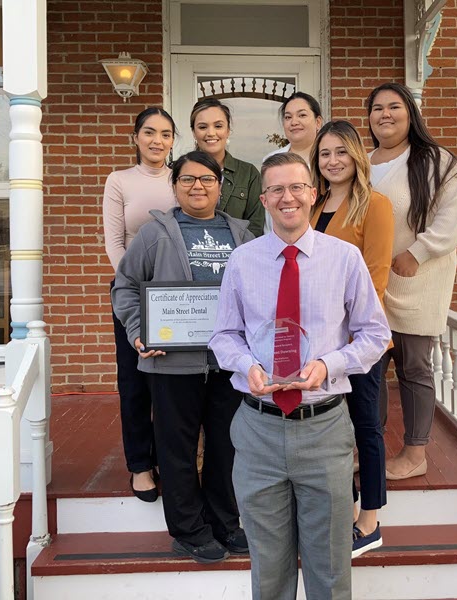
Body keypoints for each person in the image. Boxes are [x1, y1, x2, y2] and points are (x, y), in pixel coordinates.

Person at [209, 153, 390, 599]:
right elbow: (223, 335)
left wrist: (329, 365)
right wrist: (245, 365)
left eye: (296, 187)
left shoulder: (344, 259)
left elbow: (375, 334)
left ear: (313, 193)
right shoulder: (242, 261)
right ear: (264, 199)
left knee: (329, 570)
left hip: (323, 429)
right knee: (268, 572)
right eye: (275, 189)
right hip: (258, 430)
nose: (287, 197)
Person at [112, 151, 253, 563]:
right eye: (188, 179)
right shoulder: (154, 235)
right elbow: (124, 288)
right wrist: (138, 331)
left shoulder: (241, 236)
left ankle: (225, 523)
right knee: (177, 448)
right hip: (172, 363)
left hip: (228, 364)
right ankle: (188, 530)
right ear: (174, 186)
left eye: (207, 179)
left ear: (220, 186)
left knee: (228, 447)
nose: (198, 186)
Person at [366, 82, 457, 481]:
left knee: (413, 369)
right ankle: (370, 446)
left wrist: (419, 252)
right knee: (369, 370)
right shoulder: (362, 160)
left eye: (394, 106)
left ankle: (415, 454)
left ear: (411, 113)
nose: (385, 114)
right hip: (370, 285)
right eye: (377, 108)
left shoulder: (437, 161)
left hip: (416, 281)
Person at [308, 120, 394, 557]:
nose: (332, 160)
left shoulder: (374, 205)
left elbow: (376, 277)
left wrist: (348, 336)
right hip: (319, 343)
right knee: (332, 428)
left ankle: (371, 519)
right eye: (325, 153)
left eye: (341, 152)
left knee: (365, 425)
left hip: (359, 341)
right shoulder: (311, 204)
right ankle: (344, 503)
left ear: (357, 156)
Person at [102, 107, 177, 503]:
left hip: (171, 297)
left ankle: (168, 458)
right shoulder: (119, 181)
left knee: (167, 383)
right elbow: (115, 243)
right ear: (136, 137)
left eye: (165, 134)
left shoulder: (180, 179)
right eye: (149, 132)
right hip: (132, 295)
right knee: (133, 383)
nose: (157, 141)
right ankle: (140, 466)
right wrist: (132, 285)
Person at [190, 98, 265, 237]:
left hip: (237, 254)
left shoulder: (248, 174)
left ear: (228, 130)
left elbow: (255, 226)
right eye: (202, 127)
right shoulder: (180, 171)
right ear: (194, 132)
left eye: (218, 126)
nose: (211, 133)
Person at [263, 91, 324, 165]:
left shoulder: (329, 158)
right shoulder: (271, 161)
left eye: (302, 115)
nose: (294, 122)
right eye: (288, 117)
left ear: (318, 122)